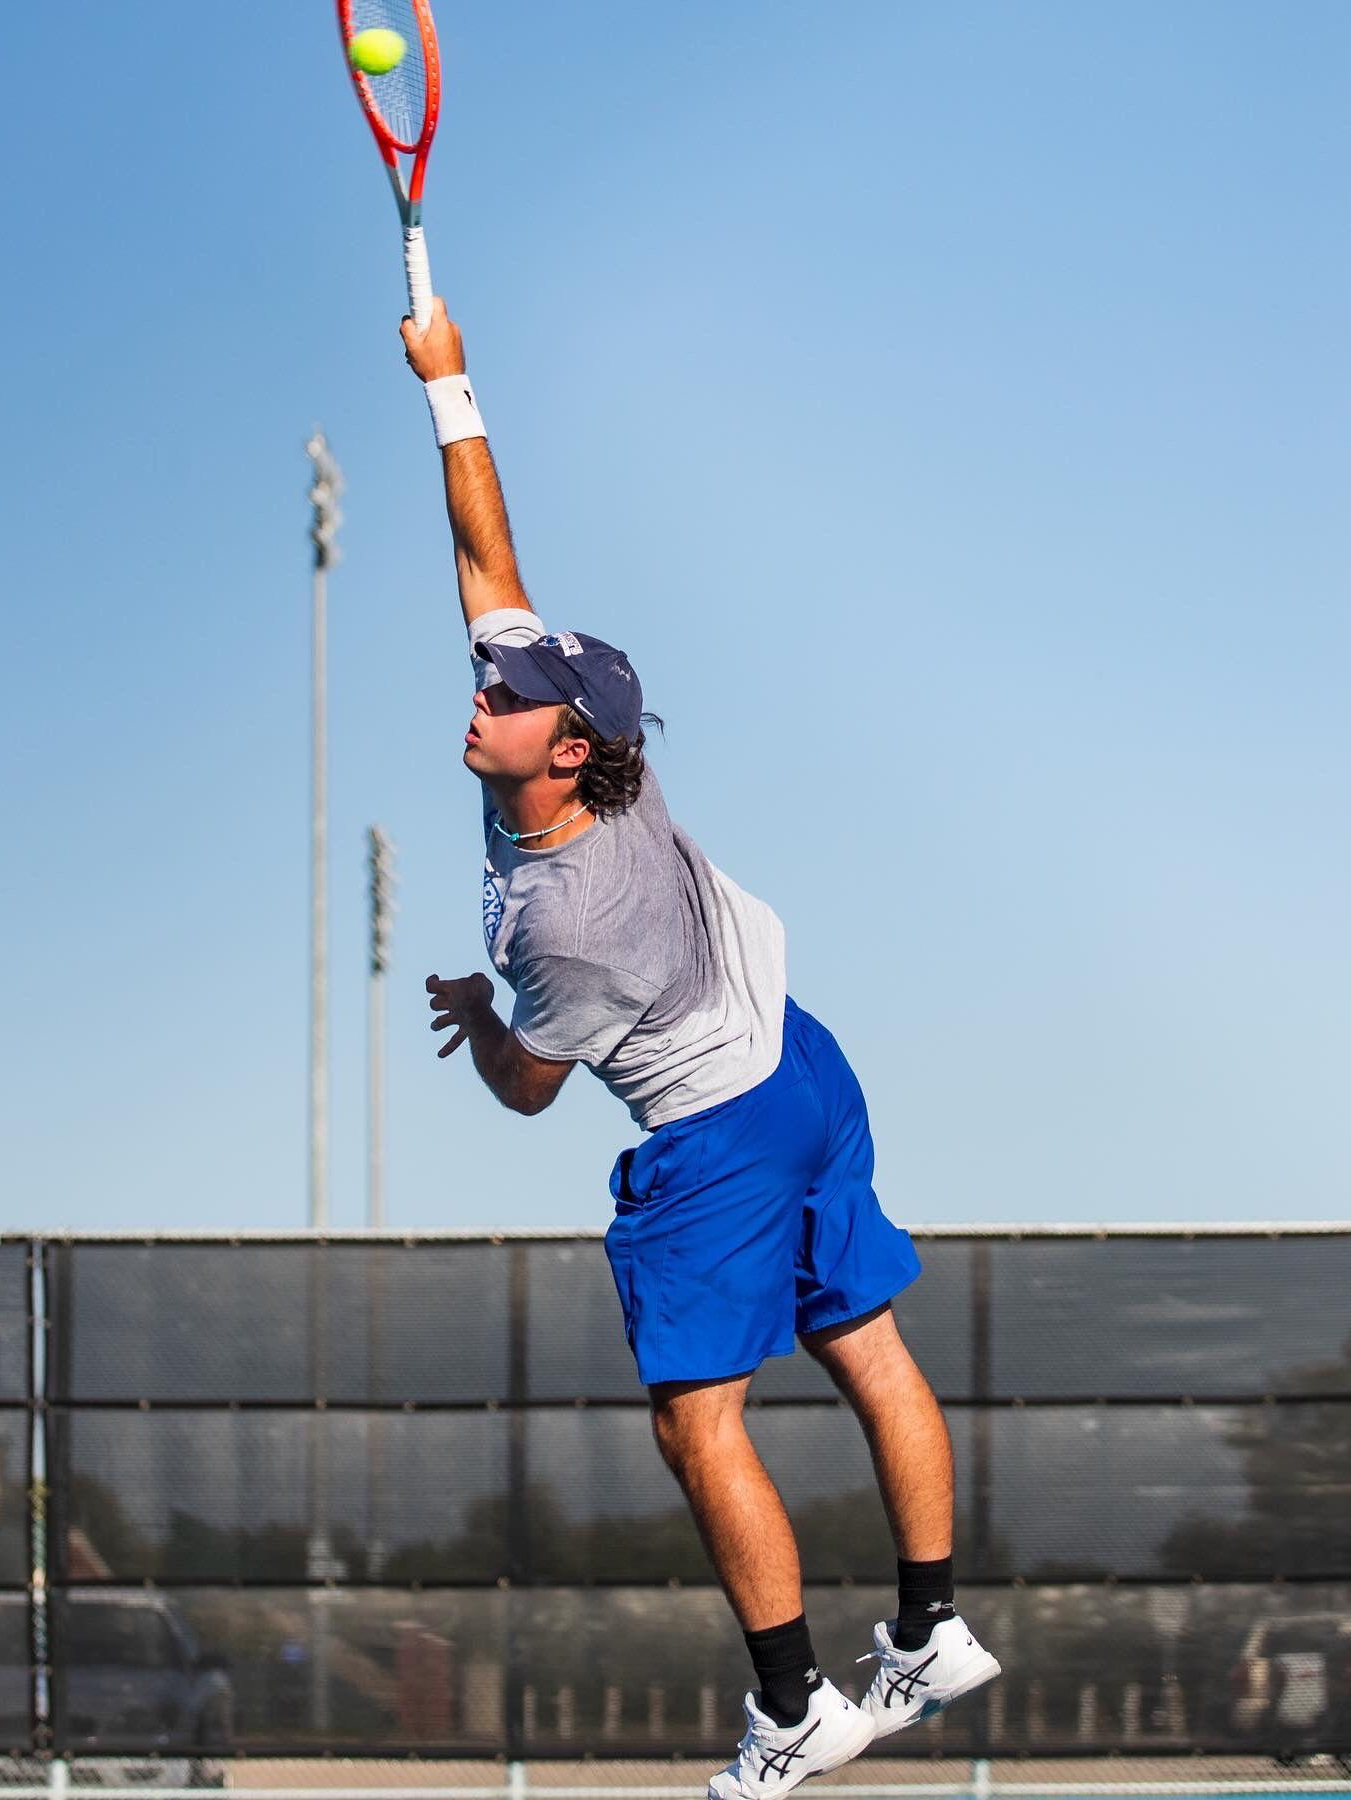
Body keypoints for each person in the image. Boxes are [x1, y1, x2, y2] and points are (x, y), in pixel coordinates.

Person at [401, 299, 999, 1798]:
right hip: (806, 1065)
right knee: (863, 1341)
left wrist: (482, 1018)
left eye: (509, 697)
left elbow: (535, 1090)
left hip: (721, 1133)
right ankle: (932, 1630)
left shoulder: (569, 920)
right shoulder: (579, 750)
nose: (483, 693)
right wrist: (448, 381)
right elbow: (491, 561)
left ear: (565, 746)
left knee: (695, 1422)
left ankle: (798, 1711)